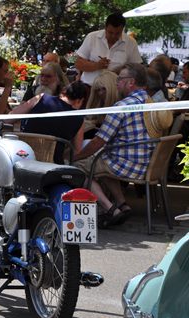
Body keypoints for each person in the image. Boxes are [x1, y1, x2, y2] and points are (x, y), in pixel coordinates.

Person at [73, 63, 151, 228]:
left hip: (127, 165)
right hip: (148, 163)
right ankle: (122, 205)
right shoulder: (151, 101)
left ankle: (110, 209)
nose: (117, 83)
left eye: (120, 79)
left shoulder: (122, 106)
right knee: (101, 160)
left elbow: (98, 141)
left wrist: (77, 156)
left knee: (78, 167)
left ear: (131, 82)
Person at [9, 81, 87, 164]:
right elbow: (76, 151)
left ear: (64, 91)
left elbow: (9, 118)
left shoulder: (41, 98)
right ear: (79, 100)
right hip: (53, 164)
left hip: (23, 157)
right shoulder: (79, 119)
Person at [75, 13, 142, 86]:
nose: (113, 36)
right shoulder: (92, 37)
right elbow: (78, 64)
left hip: (115, 89)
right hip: (89, 86)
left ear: (123, 29)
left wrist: (121, 71)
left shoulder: (131, 43)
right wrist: (97, 65)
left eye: (117, 33)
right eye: (110, 32)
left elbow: (137, 69)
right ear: (105, 27)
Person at [84, 70, 118, 138]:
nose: (100, 93)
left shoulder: (120, 107)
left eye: (104, 89)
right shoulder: (98, 105)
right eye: (98, 90)